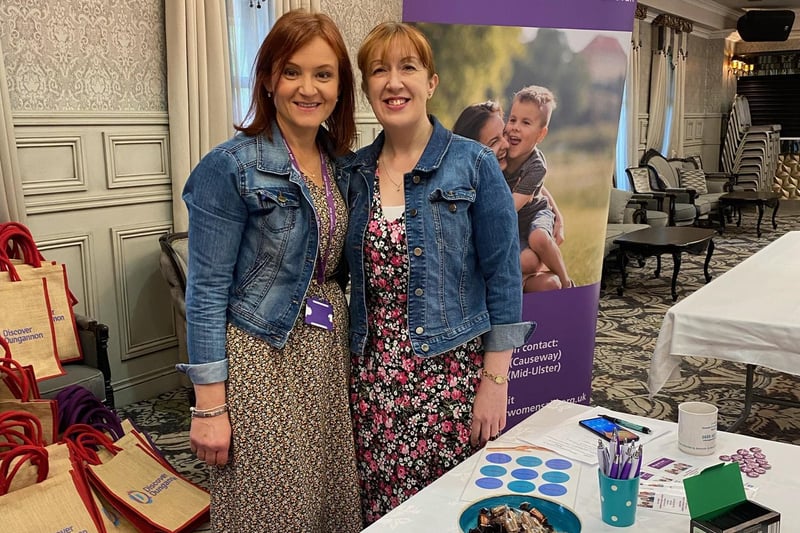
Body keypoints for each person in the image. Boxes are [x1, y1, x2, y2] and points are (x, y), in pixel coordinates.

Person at [342, 22, 534, 524]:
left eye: (408, 67)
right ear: (366, 89)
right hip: (370, 380)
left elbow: (504, 278)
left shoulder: (473, 165)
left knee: (449, 513)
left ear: (431, 82)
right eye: (379, 71)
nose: (393, 82)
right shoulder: (353, 173)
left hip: (449, 381)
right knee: (385, 514)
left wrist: (496, 381)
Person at [178, 10, 362, 532]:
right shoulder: (231, 165)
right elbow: (207, 290)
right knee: (272, 509)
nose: (308, 88)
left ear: (340, 85)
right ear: (268, 78)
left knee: (326, 502)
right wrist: (209, 406)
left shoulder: (339, 163)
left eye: (323, 74)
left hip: (324, 354)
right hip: (262, 357)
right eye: (292, 71)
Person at [453, 101, 561, 292]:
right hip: (481, 279)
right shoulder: (461, 188)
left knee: (551, 283)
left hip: (513, 263)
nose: (506, 143)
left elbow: (534, 187)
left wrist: (558, 217)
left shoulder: (505, 165)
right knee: (529, 260)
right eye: (494, 142)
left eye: (503, 134)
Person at [504, 85, 572, 291]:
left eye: (526, 122)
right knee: (530, 262)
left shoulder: (536, 166)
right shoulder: (500, 151)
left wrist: (557, 217)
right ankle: (537, 277)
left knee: (540, 237)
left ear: (541, 135)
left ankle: (567, 282)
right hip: (515, 226)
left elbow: (508, 208)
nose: (515, 127)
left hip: (534, 214)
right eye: (512, 119)